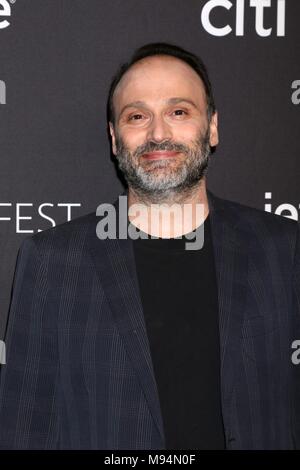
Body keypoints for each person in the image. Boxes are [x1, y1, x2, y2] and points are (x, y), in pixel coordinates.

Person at [0, 42, 299, 450]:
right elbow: (23, 428)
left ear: (212, 127)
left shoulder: (283, 250)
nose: (159, 133)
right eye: (137, 116)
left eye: (179, 112)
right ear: (114, 137)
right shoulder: (52, 261)